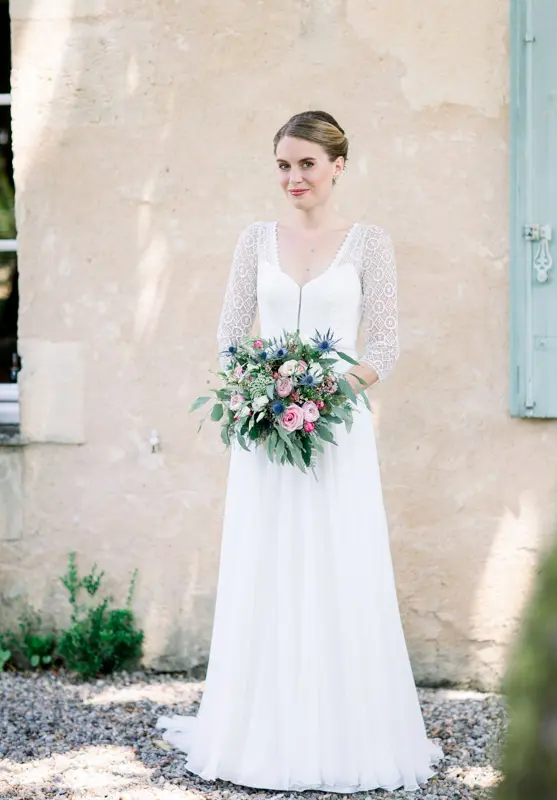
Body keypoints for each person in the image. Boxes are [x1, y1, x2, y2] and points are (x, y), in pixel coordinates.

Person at [157, 110, 442, 793]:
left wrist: (323, 389)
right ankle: (262, 733)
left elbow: (383, 347)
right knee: (270, 567)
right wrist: (269, 387)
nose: (294, 178)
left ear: (338, 166)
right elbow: (230, 334)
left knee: (340, 568)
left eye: (307, 164)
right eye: (283, 165)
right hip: (267, 439)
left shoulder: (369, 243)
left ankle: (348, 736)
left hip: (337, 435)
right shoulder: (254, 240)